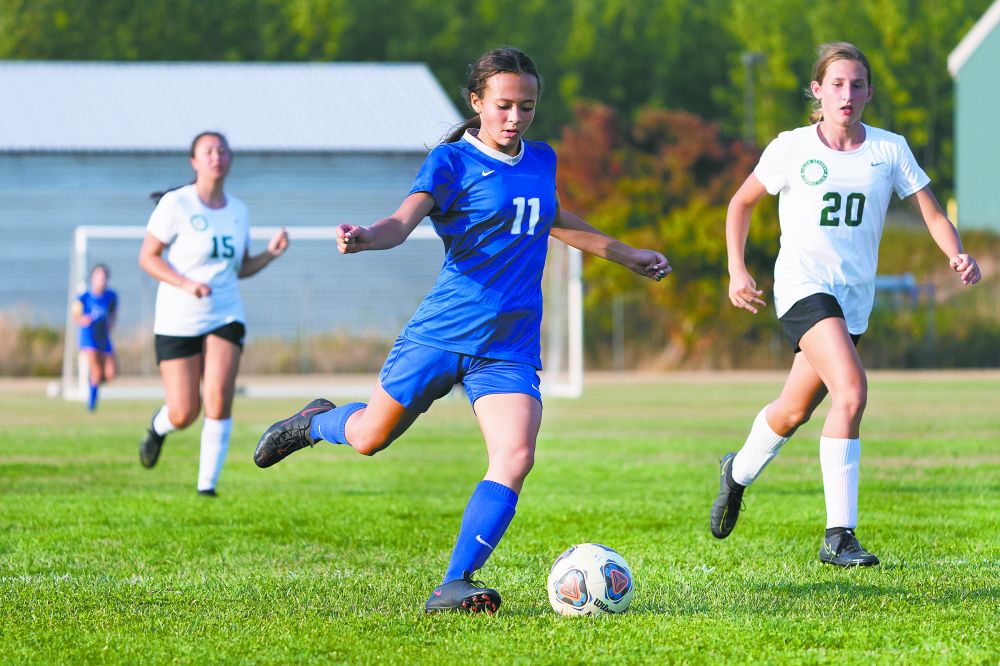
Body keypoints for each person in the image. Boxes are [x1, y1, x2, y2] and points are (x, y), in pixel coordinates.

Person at [254, 47, 670, 613]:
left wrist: (627, 255)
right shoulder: (450, 162)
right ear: (477, 103)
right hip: (443, 333)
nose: (515, 118)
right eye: (503, 106)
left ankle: (455, 582)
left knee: (515, 457)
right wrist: (364, 236)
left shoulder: (541, 158)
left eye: (526, 107)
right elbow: (401, 224)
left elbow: (552, 217)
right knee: (369, 438)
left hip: (509, 346)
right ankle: (315, 422)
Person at [710, 42, 981, 566]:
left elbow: (931, 212)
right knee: (852, 393)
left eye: (857, 85)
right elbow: (740, 203)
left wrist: (957, 254)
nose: (847, 94)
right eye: (836, 84)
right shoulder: (791, 147)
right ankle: (839, 535)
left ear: (869, 93)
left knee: (792, 412)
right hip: (803, 287)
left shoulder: (888, 150)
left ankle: (736, 471)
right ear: (817, 90)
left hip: (853, 300)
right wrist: (736, 268)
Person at [138, 131, 289, 497]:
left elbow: (238, 268)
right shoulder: (177, 204)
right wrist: (186, 284)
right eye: (208, 151)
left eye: (222, 150)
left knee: (219, 396)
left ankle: (207, 488)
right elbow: (148, 258)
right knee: (184, 412)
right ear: (194, 161)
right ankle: (159, 428)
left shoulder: (238, 211)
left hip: (225, 313)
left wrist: (270, 254)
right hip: (178, 315)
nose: (216, 156)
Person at [72, 263, 118, 411]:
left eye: (104, 277)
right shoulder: (84, 297)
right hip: (89, 337)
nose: (101, 280)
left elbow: (113, 314)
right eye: (98, 276)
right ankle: (91, 404)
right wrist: (82, 319)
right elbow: (75, 315)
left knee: (111, 374)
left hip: (103, 337)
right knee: (97, 371)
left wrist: (111, 323)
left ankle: (93, 382)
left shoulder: (111, 296)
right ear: (93, 278)